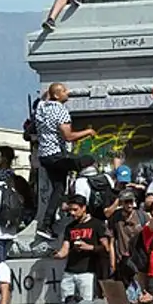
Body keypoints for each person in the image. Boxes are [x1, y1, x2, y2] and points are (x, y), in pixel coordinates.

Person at [32, 83, 97, 240]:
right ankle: (77, 197)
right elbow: (68, 136)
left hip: (44, 156)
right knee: (88, 160)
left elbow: (44, 97)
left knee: (58, 188)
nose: (68, 93)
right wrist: (88, 132)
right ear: (57, 95)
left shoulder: (41, 107)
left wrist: (50, 91)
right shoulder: (60, 111)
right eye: (64, 91)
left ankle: (46, 224)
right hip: (56, 156)